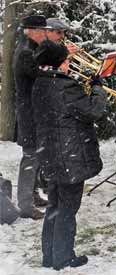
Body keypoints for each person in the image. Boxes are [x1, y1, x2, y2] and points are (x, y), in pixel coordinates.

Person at [32, 40, 107, 270]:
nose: (68, 65)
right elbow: (93, 110)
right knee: (67, 209)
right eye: (66, 61)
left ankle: (50, 255)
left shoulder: (40, 84)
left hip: (52, 153)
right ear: (56, 63)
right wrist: (97, 88)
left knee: (54, 206)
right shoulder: (64, 87)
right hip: (70, 156)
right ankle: (63, 257)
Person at [13, 15, 49, 220]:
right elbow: (39, 77)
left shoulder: (29, 49)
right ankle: (25, 205)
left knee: (36, 157)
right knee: (30, 158)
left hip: (32, 111)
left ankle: (34, 196)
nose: (45, 34)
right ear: (32, 31)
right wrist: (57, 71)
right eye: (42, 31)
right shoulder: (26, 52)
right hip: (29, 114)